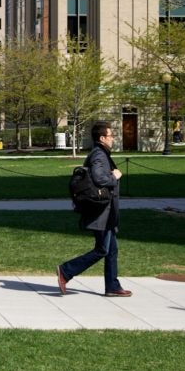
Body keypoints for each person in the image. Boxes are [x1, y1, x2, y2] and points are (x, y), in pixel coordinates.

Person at [56, 120, 131, 297]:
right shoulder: (99, 155)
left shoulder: (101, 153)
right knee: (102, 249)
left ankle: (112, 286)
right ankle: (66, 271)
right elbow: (99, 178)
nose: (113, 139)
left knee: (112, 250)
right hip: (101, 212)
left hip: (107, 211)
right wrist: (115, 177)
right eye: (111, 136)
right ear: (103, 137)